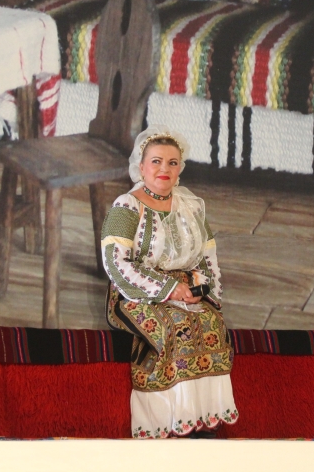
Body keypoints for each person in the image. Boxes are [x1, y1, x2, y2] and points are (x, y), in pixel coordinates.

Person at [100, 125, 239, 439]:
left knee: (212, 324)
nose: (164, 168)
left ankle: (203, 423)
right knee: (176, 328)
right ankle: (171, 422)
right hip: (136, 292)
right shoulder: (127, 206)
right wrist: (169, 289)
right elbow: (116, 262)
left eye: (172, 162)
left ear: (180, 168)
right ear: (141, 167)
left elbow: (207, 257)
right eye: (156, 161)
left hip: (187, 290)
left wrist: (201, 291)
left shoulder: (191, 206)